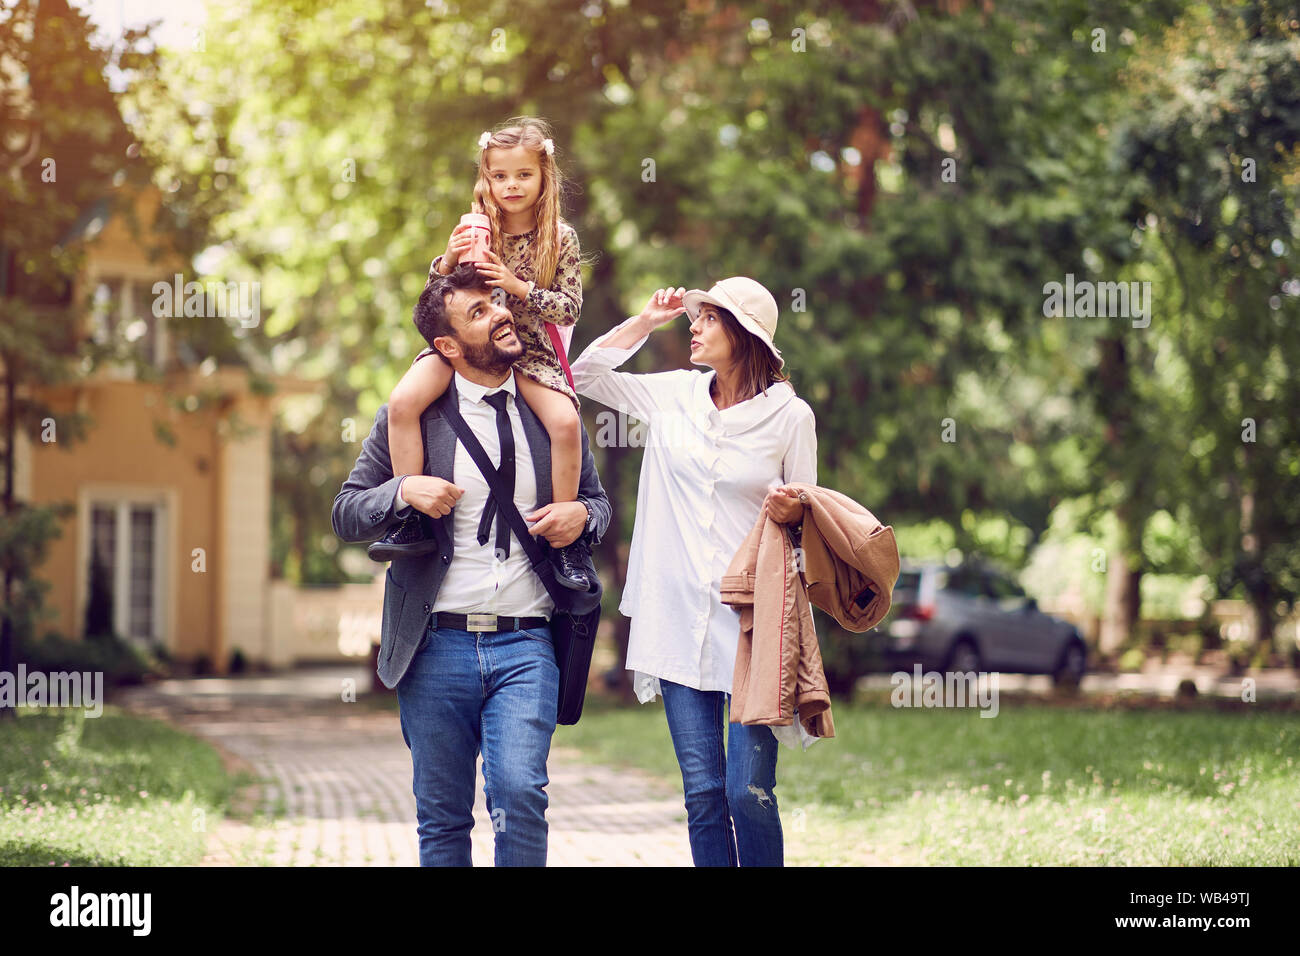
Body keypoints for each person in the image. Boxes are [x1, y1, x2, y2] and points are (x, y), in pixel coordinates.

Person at [332, 263, 611, 866]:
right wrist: (403, 491)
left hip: (527, 645)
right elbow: (346, 512)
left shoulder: (552, 415)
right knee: (442, 819)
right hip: (434, 648)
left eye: (496, 301)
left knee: (519, 794)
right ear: (448, 347)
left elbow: (600, 504)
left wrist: (582, 519)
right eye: (479, 311)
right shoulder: (412, 419)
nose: (501, 313)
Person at [570, 277, 817, 867]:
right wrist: (643, 323)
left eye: (707, 318)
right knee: (703, 796)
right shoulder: (674, 396)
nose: (694, 325)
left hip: (753, 627)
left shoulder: (791, 417)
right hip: (677, 621)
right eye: (695, 317)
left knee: (746, 791)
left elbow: (812, 532)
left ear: (742, 333)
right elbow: (580, 377)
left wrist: (795, 512)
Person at [369, 116, 592, 592]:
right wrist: (448, 262)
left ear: (544, 177)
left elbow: (570, 308)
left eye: (523, 175)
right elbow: (437, 306)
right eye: (500, 175)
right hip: (469, 342)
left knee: (567, 422)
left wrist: (517, 287)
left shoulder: (560, 238)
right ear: (486, 178)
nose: (511, 185)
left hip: (525, 347)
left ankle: (566, 545)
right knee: (403, 401)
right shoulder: (478, 227)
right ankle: (409, 515)